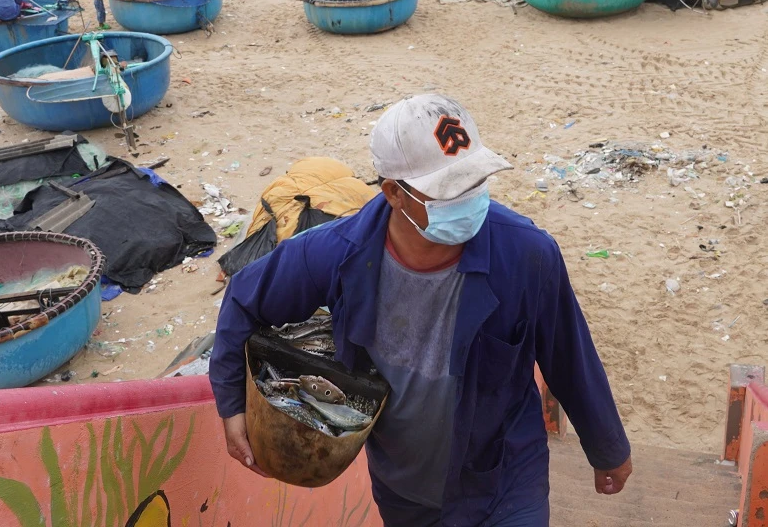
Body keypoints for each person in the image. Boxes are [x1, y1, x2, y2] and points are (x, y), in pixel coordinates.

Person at [210, 93, 633, 526]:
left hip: (505, 483)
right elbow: (244, 298)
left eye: (475, 181)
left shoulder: (528, 254)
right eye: (450, 190)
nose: (470, 198)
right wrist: (231, 404)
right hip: (404, 491)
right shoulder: (336, 253)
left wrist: (608, 449)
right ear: (394, 193)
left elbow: (568, 355)